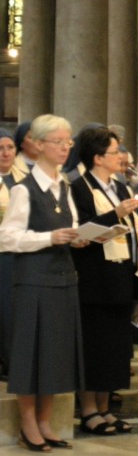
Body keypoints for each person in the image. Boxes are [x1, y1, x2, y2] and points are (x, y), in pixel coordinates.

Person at [0, 114, 88, 451]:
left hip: (63, 279)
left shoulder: (63, 186)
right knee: (31, 354)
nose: (65, 147)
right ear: (38, 145)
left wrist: (78, 238)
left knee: (54, 353)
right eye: (58, 141)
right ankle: (28, 424)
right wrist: (49, 237)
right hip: (33, 281)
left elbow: (70, 226)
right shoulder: (24, 190)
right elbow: (7, 238)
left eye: (68, 141)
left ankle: (45, 422)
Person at [70, 126, 138, 436]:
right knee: (94, 347)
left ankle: (105, 409)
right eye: (115, 152)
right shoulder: (79, 188)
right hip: (95, 280)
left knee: (115, 349)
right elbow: (80, 234)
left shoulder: (121, 188)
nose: (121, 157)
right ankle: (89, 410)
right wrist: (115, 214)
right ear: (98, 157)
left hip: (121, 276)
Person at [0, 129, 26, 376]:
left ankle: (12, 360)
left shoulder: (22, 181)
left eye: (10, 148)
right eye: (0, 148)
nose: (6, 153)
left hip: (16, 254)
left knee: (13, 310)